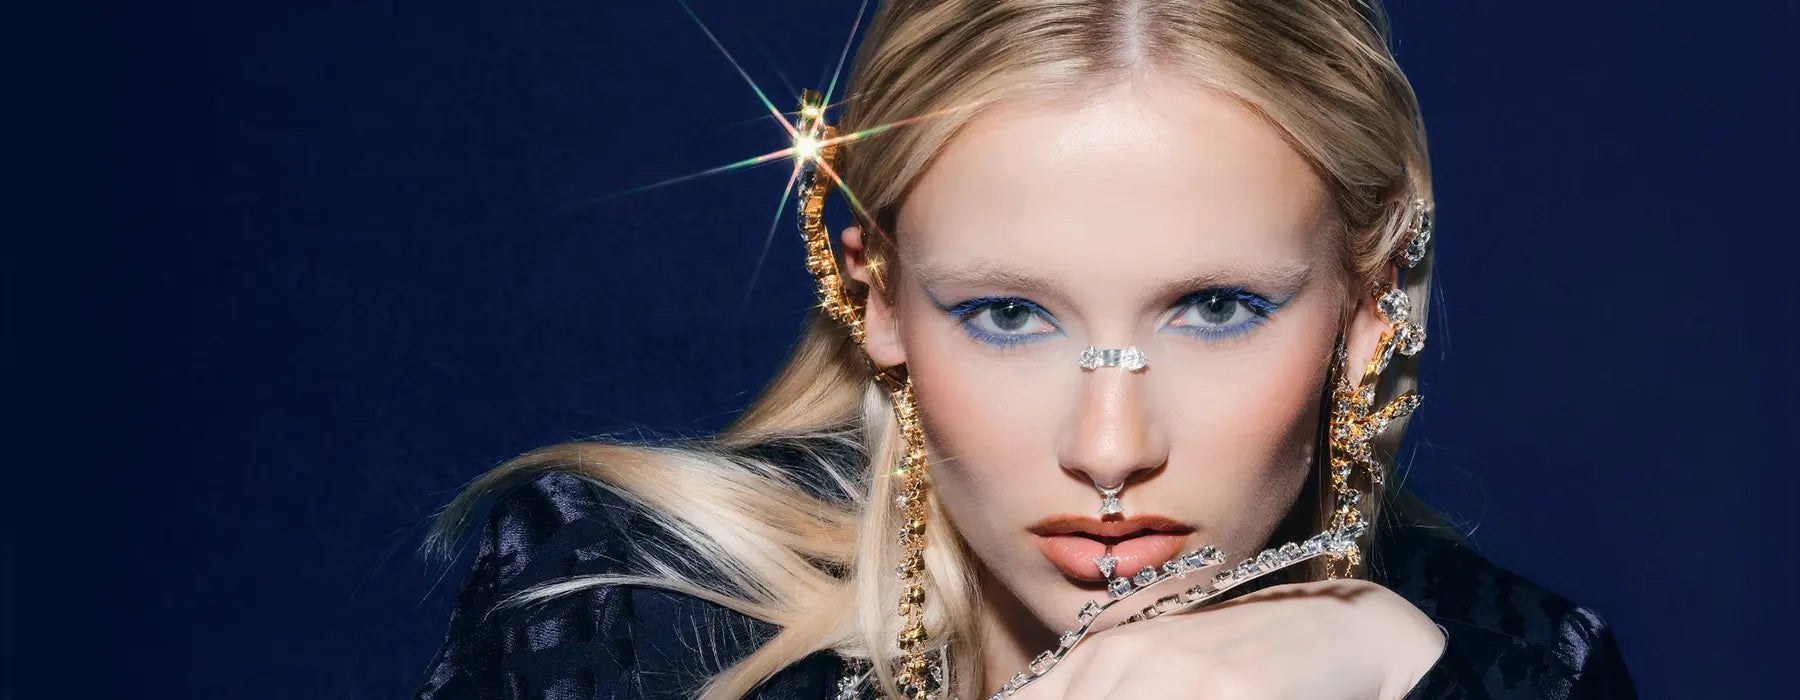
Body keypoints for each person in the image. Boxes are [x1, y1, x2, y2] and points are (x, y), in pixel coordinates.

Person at [412, 1, 1636, 697]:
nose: (1108, 447)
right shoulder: (617, 618)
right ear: (878, 296)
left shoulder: (1518, 670)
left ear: (1371, 307)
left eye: (1215, 307)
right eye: (1007, 314)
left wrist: (1394, 668)